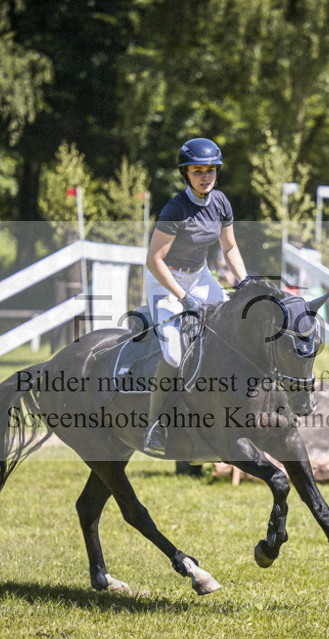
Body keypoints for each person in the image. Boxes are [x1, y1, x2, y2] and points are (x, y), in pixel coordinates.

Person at [142, 137, 250, 456]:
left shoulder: (220, 203)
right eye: (198, 171)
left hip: (200, 275)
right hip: (165, 280)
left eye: (211, 171)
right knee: (174, 355)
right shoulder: (176, 208)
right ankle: (156, 424)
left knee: (232, 328)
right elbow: (154, 260)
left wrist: (244, 282)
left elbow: (229, 247)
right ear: (186, 173)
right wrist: (182, 297)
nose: (206, 177)